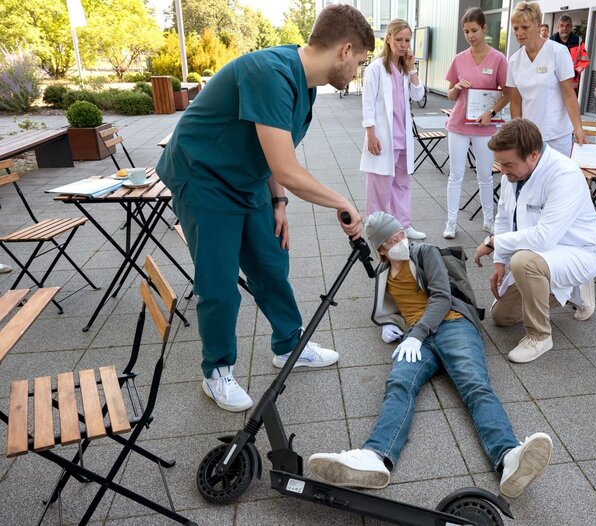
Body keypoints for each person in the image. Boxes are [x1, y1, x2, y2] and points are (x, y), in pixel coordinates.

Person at [155, 5, 374, 413]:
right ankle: (216, 371)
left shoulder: (303, 84)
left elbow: (273, 152)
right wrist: (342, 201)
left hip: (247, 177)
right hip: (203, 176)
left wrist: (278, 202)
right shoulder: (270, 73)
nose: (357, 70)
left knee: (271, 261)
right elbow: (288, 168)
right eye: (360, 60)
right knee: (219, 283)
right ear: (345, 50)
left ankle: (289, 343)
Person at [308, 211, 554, 498]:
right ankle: (375, 456)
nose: (401, 240)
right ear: (381, 249)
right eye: (392, 239)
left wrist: (415, 334)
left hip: (452, 324)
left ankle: (508, 457)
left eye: (400, 233)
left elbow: (441, 296)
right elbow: (396, 306)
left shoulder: (425, 253)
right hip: (415, 339)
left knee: (475, 386)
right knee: (398, 384)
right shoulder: (384, 273)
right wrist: (391, 325)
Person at [475, 119, 596, 363]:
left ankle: (539, 337)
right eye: (500, 163)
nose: (502, 170)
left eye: (508, 164)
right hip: (541, 254)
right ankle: (573, 290)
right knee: (501, 317)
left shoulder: (564, 174)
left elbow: (544, 237)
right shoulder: (512, 174)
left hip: (578, 250)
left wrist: (494, 242)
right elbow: (504, 218)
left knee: (524, 261)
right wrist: (499, 262)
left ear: (533, 155)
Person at [442, 7, 510, 239]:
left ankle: (489, 221)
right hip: (459, 125)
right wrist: (456, 88)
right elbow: (450, 94)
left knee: (485, 175)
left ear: (484, 28)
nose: (470, 36)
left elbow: (507, 93)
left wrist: (491, 112)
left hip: (484, 127)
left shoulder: (499, 58)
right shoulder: (459, 59)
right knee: (455, 175)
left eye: (474, 30)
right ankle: (451, 223)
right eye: (466, 32)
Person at [361, 19, 427, 241]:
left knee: (402, 183)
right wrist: (370, 134)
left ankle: (403, 226)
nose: (403, 44)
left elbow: (418, 96)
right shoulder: (376, 68)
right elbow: (368, 103)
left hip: (403, 137)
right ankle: (375, 228)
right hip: (383, 136)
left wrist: (412, 68)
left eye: (407, 40)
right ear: (388, 39)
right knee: (378, 186)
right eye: (398, 39)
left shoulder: (405, 68)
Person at [507, 2, 588, 156]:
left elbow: (569, 94)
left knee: (557, 179)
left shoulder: (558, 52)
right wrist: (517, 133)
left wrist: (578, 127)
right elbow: (516, 102)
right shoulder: (514, 61)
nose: (519, 33)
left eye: (525, 27)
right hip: (529, 136)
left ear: (538, 26)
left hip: (556, 135)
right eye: (516, 28)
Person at [550, 15, 590, 93]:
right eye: (562, 26)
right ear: (558, 27)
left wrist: (575, 72)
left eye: (567, 26)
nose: (564, 29)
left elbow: (585, 60)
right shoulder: (550, 42)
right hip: (553, 84)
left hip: (571, 84)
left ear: (571, 27)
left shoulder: (578, 42)